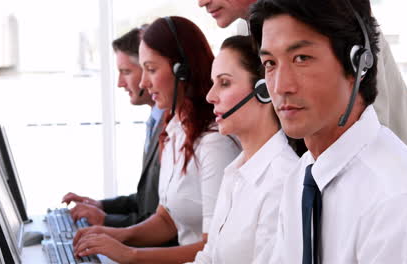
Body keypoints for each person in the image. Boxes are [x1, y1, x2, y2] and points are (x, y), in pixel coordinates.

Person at [249, 0, 407, 262]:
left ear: (358, 64)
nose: (280, 86)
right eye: (270, 63)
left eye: (301, 58)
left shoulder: (400, 199)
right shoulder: (301, 177)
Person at [197, 0, 407, 174]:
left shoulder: (335, 15)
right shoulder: (248, 32)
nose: (202, 2)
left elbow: (364, 128)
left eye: (301, 58)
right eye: (269, 62)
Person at [73, 16, 241, 263]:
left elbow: (213, 248)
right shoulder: (175, 130)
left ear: (182, 69)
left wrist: (130, 255)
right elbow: (167, 219)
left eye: (151, 69)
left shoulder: (215, 143)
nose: (143, 82)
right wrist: (112, 234)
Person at [185, 35, 299, 264]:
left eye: (224, 83)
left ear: (264, 90)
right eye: (213, 83)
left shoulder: (283, 180)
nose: (210, 96)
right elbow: (208, 257)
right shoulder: (235, 172)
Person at [61, 26, 166, 229]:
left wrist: (105, 220)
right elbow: (149, 200)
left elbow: (168, 221)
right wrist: (101, 206)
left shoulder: (176, 127)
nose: (119, 83)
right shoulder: (155, 122)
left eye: (126, 72)